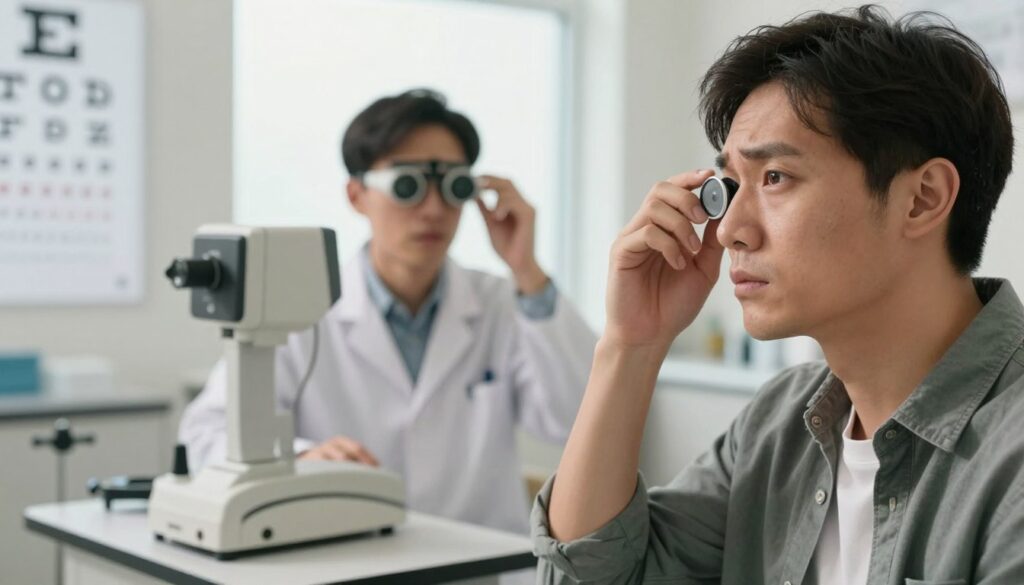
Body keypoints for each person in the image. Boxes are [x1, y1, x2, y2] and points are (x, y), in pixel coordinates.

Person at [533, 6, 1020, 584]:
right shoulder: (777, 425)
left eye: (775, 178)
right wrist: (630, 345)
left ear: (921, 199)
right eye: (731, 185)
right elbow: (590, 576)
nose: (728, 229)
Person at [181, 89, 596, 536]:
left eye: (454, 187)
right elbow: (205, 432)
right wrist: (299, 458)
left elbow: (574, 420)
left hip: (479, 561)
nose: (434, 209)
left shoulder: (503, 302)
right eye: (407, 186)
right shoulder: (302, 312)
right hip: (348, 554)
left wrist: (526, 270)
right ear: (357, 195)